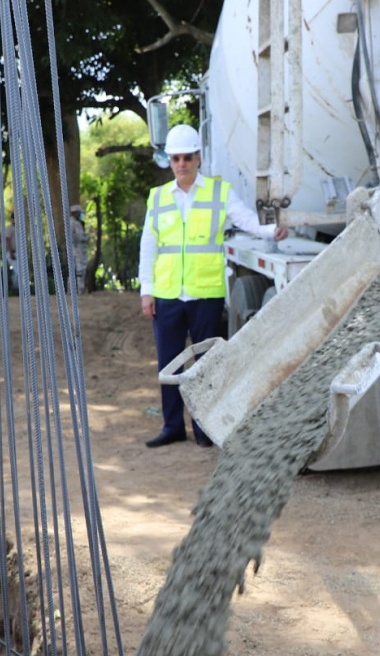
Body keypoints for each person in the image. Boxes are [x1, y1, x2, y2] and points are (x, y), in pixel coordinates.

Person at [139, 124, 289, 448]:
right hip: (167, 295)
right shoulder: (159, 197)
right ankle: (172, 426)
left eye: (187, 158)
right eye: (176, 158)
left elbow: (246, 219)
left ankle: (205, 429)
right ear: (170, 161)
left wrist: (271, 231)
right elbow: (148, 246)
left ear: (198, 158)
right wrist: (146, 291)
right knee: (169, 362)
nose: (181, 164)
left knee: (207, 364)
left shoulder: (219, 192)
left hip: (205, 293)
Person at [69, 203, 90, 293]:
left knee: (73, 269)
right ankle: (80, 289)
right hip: (77, 249)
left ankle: (72, 289)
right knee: (80, 269)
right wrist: (87, 237)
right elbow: (79, 237)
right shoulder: (75, 223)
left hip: (73, 248)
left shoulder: (71, 222)